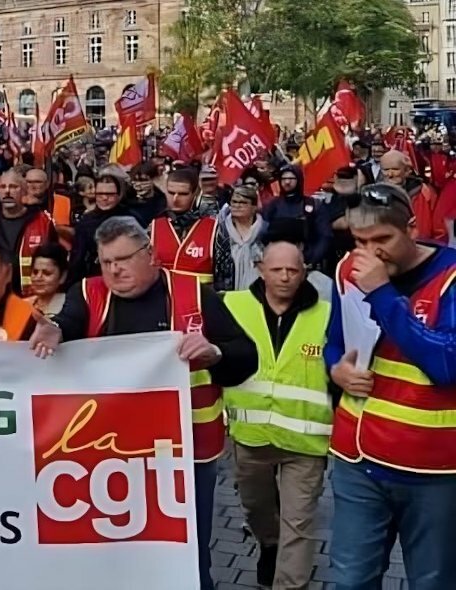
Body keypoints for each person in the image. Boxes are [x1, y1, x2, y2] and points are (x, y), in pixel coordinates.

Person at [30, 216, 259, 590]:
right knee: (116, 552)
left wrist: (215, 352)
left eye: (123, 259)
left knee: (186, 553)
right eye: (106, 262)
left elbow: (246, 357)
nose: (114, 270)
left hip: (184, 455)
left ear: (150, 254)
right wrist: (54, 328)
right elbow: (68, 322)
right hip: (107, 455)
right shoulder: (88, 294)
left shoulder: (194, 293)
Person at [325, 182, 456, 590]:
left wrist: (382, 293)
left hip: (433, 468)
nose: (369, 252)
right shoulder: (348, 268)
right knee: (350, 580)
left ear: (412, 228)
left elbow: (447, 364)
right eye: (360, 240)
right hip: (357, 458)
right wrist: (336, 370)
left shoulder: (450, 279)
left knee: (432, 582)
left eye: (382, 239)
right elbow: (335, 342)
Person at [221, 241, 332, 589]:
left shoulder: (328, 314)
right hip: (251, 438)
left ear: (305, 271)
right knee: (256, 511)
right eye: (276, 269)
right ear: (259, 268)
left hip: (306, 442)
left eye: (293, 270)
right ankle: (269, 544)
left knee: (298, 526)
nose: (285, 277)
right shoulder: (232, 306)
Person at [0, 167, 59, 297]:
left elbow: (54, 263)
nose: (7, 191)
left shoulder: (42, 221)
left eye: (14, 187)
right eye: (3, 187)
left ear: (24, 191)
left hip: (31, 297)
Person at [151, 168, 219, 285]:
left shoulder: (215, 228)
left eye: (183, 194)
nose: (175, 199)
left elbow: (225, 279)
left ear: (196, 193)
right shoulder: (153, 227)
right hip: (164, 300)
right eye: (171, 193)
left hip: (201, 299)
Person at [67, 172, 136, 285]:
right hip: (94, 278)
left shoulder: (131, 219)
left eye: (110, 194)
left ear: (118, 195)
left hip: (125, 278)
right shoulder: (86, 221)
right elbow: (78, 257)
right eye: (100, 194)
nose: (104, 198)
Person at [262, 165, 331, 268]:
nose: (287, 182)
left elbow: (325, 235)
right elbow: (263, 234)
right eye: (284, 179)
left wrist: (311, 259)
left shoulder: (313, 205)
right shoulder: (272, 206)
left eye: (291, 179)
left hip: (306, 262)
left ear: (298, 180)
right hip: (278, 261)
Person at [214, 186, 267, 292]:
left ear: (254, 207)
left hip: (259, 292)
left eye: (243, 202)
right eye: (234, 202)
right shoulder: (219, 231)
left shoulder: (266, 232)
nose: (237, 206)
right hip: (225, 292)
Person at [26, 242, 69, 316]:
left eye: (47, 273)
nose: (38, 278)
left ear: (62, 276)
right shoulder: (22, 305)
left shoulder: (70, 308)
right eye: (35, 272)